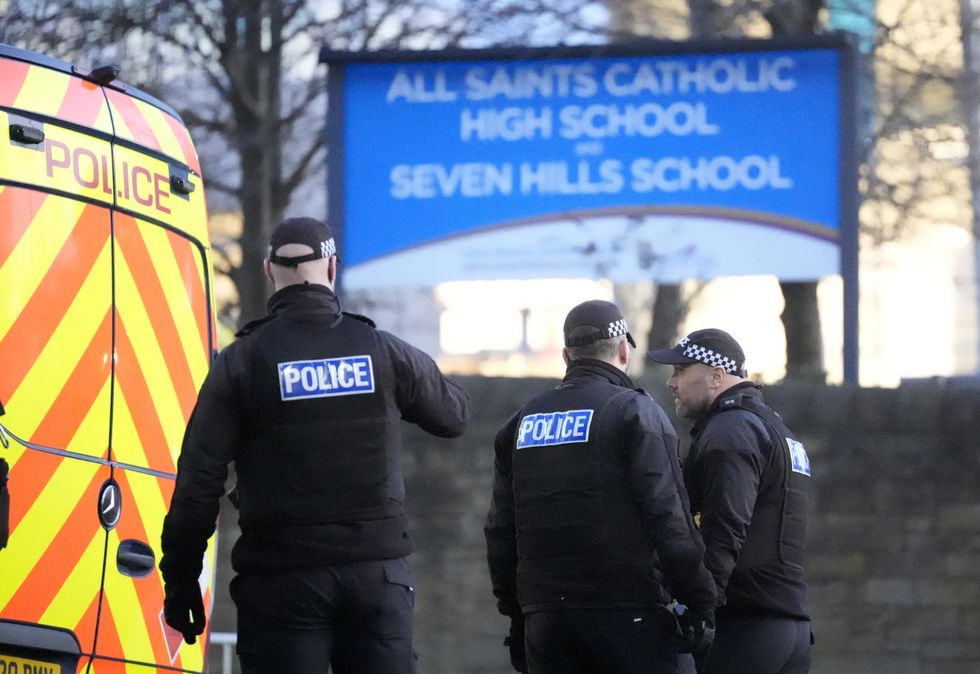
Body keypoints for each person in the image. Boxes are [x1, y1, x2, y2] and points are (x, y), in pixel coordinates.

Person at [159, 216, 470, 674]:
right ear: (330, 268)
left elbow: (199, 481)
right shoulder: (383, 350)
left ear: (269, 272)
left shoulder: (242, 362)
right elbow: (454, 417)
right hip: (377, 579)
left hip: (282, 583)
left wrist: (181, 581)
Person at [484, 300, 717, 674]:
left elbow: (500, 531)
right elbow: (669, 517)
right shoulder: (635, 412)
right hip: (629, 614)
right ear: (624, 349)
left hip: (546, 622)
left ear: (566, 355)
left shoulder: (520, 423)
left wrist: (518, 615)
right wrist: (700, 601)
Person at [649, 329, 812, 674]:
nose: (670, 383)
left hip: (746, 630)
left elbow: (725, 529)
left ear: (716, 376)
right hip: (788, 630)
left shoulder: (731, 431)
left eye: (680, 371)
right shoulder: (776, 429)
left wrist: (699, 609)